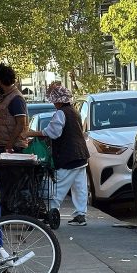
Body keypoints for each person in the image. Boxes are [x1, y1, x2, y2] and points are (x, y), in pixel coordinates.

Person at [26, 81, 90, 226]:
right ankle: (81, 215)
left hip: (68, 156)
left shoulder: (61, 113)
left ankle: (52, 213)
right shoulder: (74, 111)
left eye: (54, 101)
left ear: (58, 101)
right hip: (81, 155)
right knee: (79, 188)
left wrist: (31, 133)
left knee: (58, 187)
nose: (53, 104)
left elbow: (52, 133)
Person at [0, 63, 29, 153]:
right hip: (5, 146)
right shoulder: (6, 97)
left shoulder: (16, 99)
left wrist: (9, 145)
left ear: (0, 82)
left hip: (14, 148)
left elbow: (21, 124)